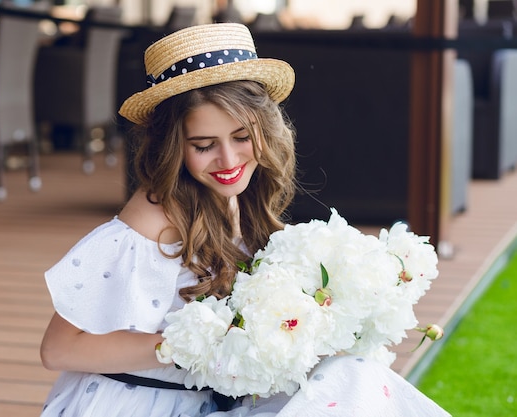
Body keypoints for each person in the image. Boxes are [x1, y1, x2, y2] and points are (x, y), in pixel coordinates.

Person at [38, 23, 451, 417]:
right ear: (172, 147)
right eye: (203, 146)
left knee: (355, 378)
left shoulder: (233, 199)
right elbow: (57, 350)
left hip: (204, 401)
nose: (229, 161)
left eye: (241, 138)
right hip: (140, 405)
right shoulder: (151, 223)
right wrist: (192, 345)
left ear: (265, 129)